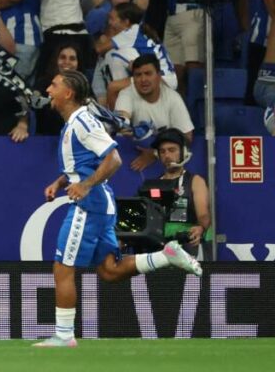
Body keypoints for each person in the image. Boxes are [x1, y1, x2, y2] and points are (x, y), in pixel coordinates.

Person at [33, 69, 201, 348]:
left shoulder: (83, 122)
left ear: (68, 93)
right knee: (110, 271)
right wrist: (60, 181)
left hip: (89, 205)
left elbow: (114, 160)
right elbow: (84, 164)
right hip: (98, 202)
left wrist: (84, 186)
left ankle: (63, 335)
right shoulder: (75, 122)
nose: (49, 90)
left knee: (62, 267)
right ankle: (166, 256)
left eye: (54, 84)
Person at [115, 54, 194, 171]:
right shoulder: (126, 94)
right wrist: (123, 124)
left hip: (166, 163)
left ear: (159, 75)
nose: (143, 80)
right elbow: (122, 118)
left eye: (148, 74)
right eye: (138, 75)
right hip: (130, 158)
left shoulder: (173, 98)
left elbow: (187, 137)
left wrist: (154, 153)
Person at [142, 128, 211, 258]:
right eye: (162, 152)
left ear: (184, 153)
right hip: (159, 249)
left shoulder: (195, 181)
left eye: (172, 150)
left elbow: (203, 214)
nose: (167, 155)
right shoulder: (152, 185)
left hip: (189, 247)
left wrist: (201, 227)